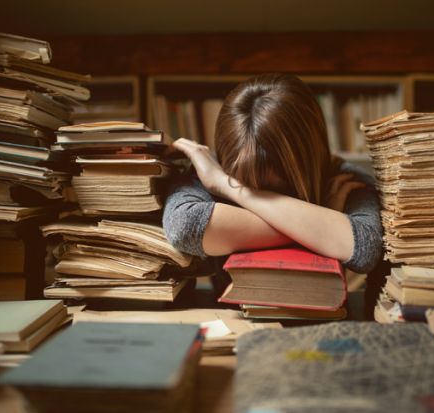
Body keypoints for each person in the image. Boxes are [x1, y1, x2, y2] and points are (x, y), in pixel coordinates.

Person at [162, 73, 383, 296]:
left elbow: (365, 247)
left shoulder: (342, 180)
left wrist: (229, 188)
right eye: (246, 184)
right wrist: (323, 222)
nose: (260, 191)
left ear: (307, 160)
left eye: (277, 190)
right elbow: (185, 228)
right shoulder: (210, 169)